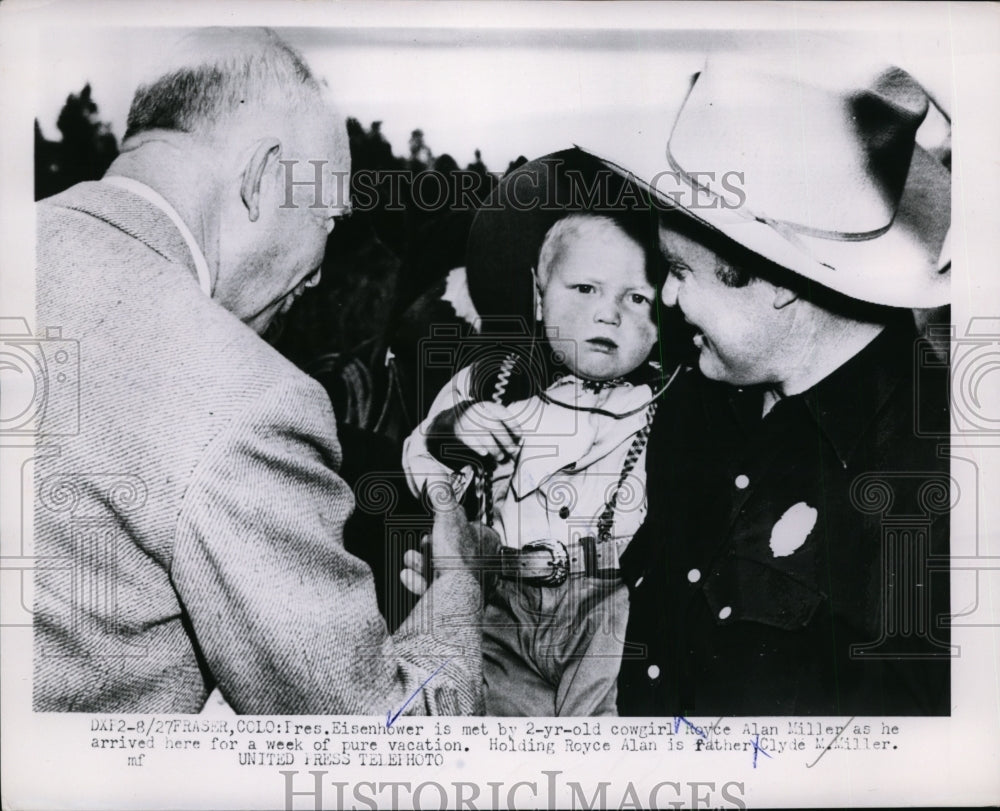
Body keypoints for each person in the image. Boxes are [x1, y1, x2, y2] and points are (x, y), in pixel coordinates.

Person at [33, 28, 488, 714]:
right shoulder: (244, 398)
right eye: (330, 219)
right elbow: (383, 753)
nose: (318, 273)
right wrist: (460, 587)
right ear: (260, 178)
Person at [594, 56, 952, 715]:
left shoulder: (938, 488)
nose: (665, 297)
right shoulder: (693, 403)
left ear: (781, 282)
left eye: (680, 270)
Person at [402, 213, 670, 715]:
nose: (608, 314)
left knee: (599, 742)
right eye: (585, 288)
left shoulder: (666, 404)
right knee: (498, 734)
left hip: (611, 606)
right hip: (505, 599)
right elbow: (420, 454)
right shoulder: (496, 383)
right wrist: (453, 431)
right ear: (539, 292)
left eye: (637, 298)